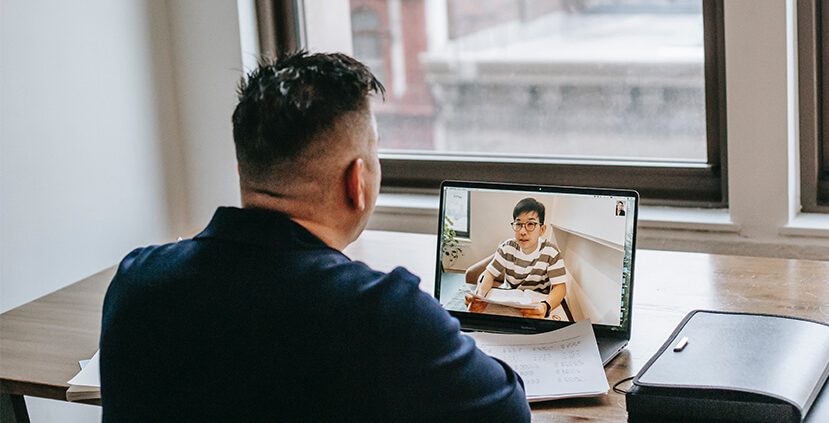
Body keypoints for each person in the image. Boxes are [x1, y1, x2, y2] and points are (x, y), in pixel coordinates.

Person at [99, 51, 529, 422]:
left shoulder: (137, 281)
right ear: (356, 182)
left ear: (243, 174)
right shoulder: (383, 315)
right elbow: (508, 411)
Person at [466, 198, 567, 319]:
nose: (523, 231)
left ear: (542, 229)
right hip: (508, 302)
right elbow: (489, 274)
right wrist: (480, 296)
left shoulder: (552, 252)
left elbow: (560, 287)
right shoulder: (507, 247)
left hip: (536, 306)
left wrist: (546, 306)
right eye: (518, 224)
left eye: (531, 224)